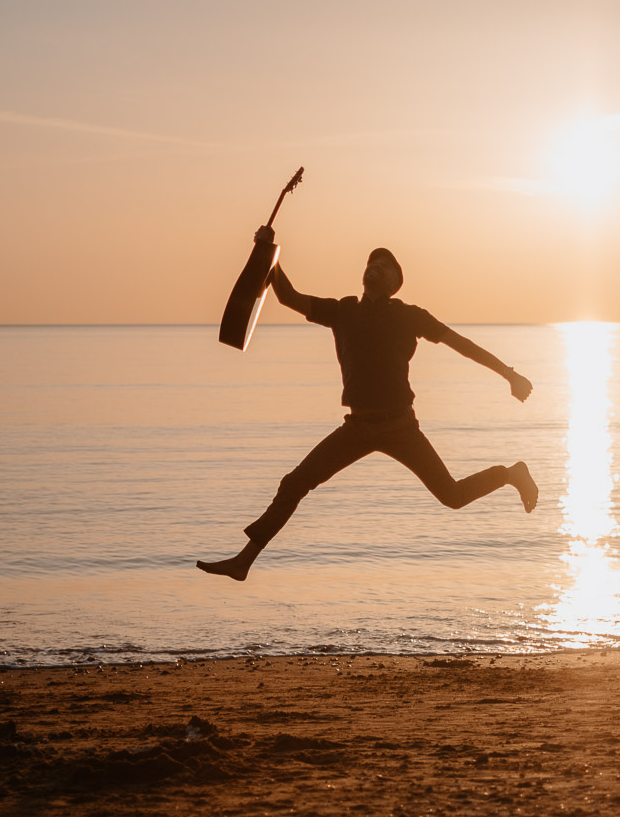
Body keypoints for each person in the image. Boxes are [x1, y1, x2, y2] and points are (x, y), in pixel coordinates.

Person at [198, 226, 539, 581]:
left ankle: (511, 474)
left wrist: (508, 373)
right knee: (294, 483)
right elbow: (286, 295)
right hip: (357, 427)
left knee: (452, 496)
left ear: (395, 284)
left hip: (401, 426)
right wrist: (267, 251)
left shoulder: (410, 316)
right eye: (371, 263)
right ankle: (244, 562)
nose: (375, 267)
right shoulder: (342, 311)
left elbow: (462, 344)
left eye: (385, 265)